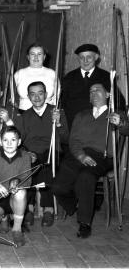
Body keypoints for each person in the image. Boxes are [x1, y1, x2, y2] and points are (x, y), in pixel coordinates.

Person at [52, 81, 127, 238]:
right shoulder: (82, 115)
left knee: (85, 178)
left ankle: (84, 222)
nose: (93, 93)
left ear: (108, 95)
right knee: (57, 186)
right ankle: (76, 205)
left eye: (97, 90)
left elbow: (127, 129)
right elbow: (73, 140)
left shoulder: (116, 114)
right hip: (79, 154)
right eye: (91, 91)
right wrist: (81, 156)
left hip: (103, 156)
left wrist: (121, 123)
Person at [15, 81, 69, 227]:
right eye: (33, 94)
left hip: (53, 151)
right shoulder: (25, 116)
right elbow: (19, 140)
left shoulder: (57, 112)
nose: (37, 97)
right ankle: (29, 208)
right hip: (32, 151)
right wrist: (26, 152)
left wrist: (58, 124)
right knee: (27, 166)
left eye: (40, 93)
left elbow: (66, 138)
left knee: (45, 165)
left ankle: (48, 209)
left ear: (46, 95)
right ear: (28, 97)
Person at [61, 44, 110, 129]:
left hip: (98, 125)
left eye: (89, 57)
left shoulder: (106, 77)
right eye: (82, 57)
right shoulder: (69, 77)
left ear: (96, 57)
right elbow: (62, 102)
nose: (85, 61)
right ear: (78, 59)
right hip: (74, 125)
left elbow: (116, 102)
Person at [14, 43, 59, 111]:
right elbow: (12, 97)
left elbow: (57, 97)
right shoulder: (19, 74)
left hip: (47, 113)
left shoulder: (52, 73)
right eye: (32, 54)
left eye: (39, 54)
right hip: (24, 113)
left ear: (44, 57)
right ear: (28, 57)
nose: (36, 57)